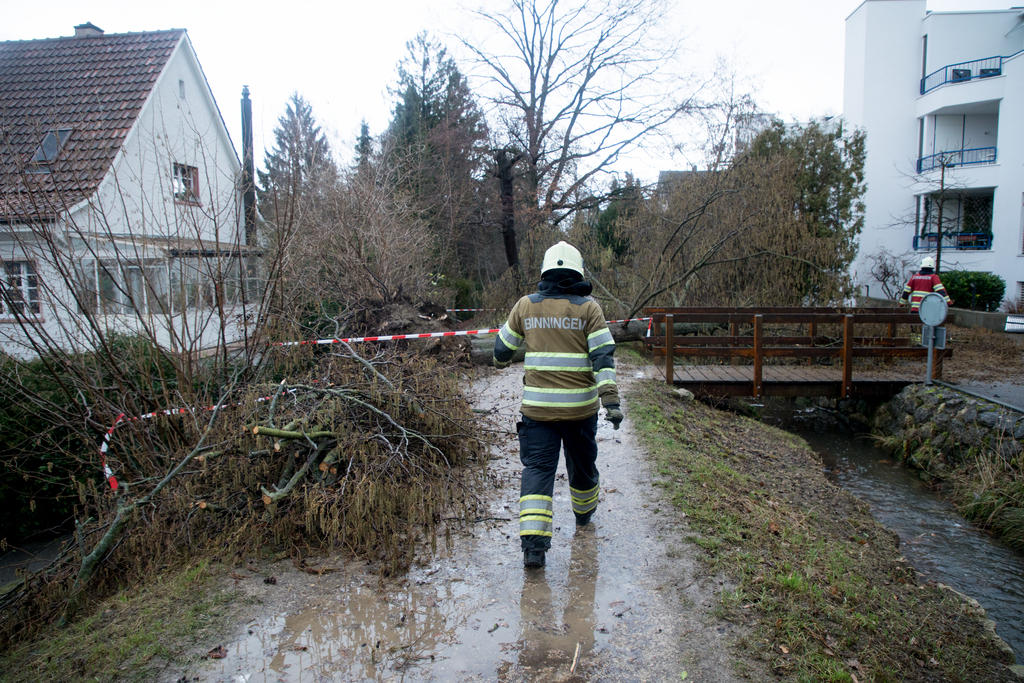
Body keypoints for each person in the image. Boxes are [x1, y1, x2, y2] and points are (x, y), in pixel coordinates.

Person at [492, 241, 623, 568]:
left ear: (546, 272)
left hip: (537, 414)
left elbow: (500, 352)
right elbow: (602, 358)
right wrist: (611, 401)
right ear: (577, 272)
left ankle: (533, 549)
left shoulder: (525, 306)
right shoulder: (589, 309)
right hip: (580, 413)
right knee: (582, 467)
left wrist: (503, 357)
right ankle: (583, 516)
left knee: (537, 472)